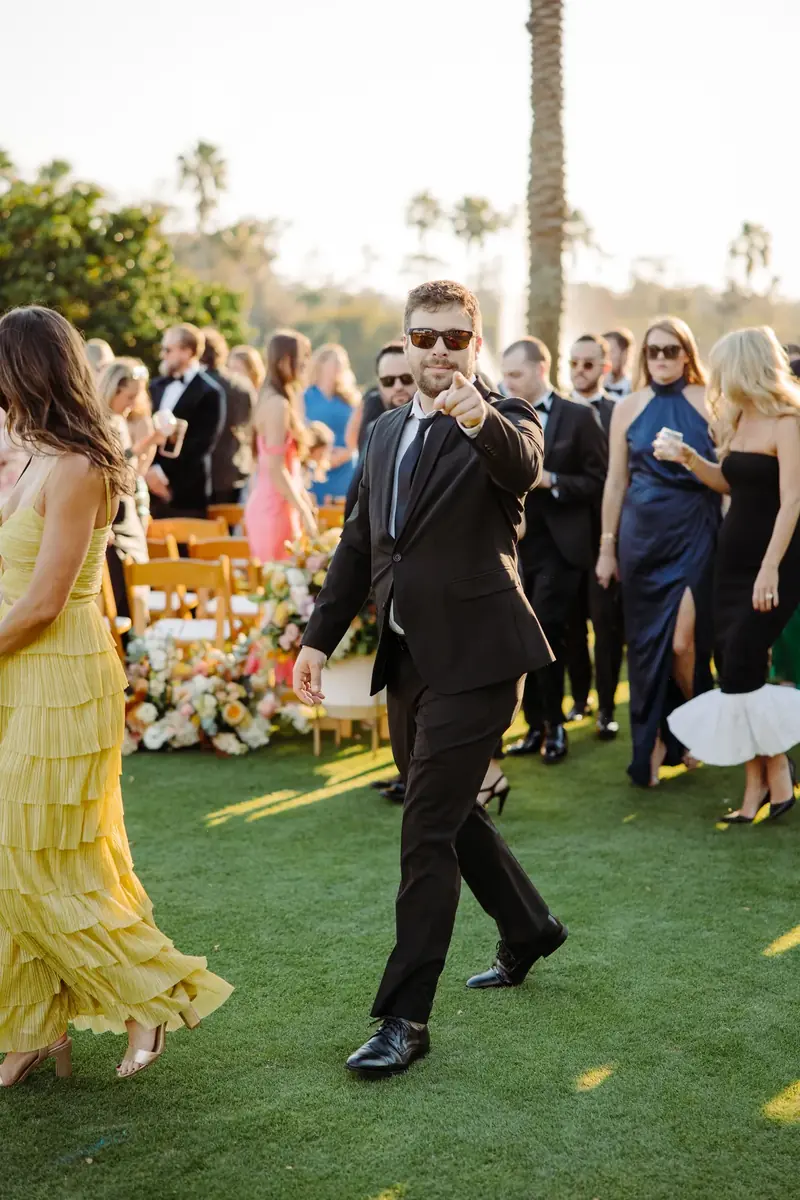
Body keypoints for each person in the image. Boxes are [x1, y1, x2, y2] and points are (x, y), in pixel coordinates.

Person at [294, 281, 565, 1077]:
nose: (439, 350)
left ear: (476, 344)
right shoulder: (380, 434)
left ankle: (404, 1019)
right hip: (407, 660)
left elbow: (521, 470)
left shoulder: (508, 419)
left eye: (454, 337)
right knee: (444, 814)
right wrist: (318, 641)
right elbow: (358, 548)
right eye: (424, 337)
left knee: (425, 831)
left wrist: (476, 415)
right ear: (407, 343)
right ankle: (530, 927)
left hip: (483, 659)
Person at [0, 306, 232, 1087]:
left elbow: (42, 602)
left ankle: (148, 1003)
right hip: (12, 672)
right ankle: (33, 1027)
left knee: (46, 856)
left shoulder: (77, 465)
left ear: (27, 369)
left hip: (61, 669)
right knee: (19, 853)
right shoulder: (23, 451)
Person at [662, 327, 800, 822]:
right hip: (731, 557)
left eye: (723, 367)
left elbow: (793, 502)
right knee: (733, 664)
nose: (716, 377)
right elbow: (731, 483)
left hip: (776, 560)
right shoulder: (739, 417)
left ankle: (771, 779)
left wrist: (770, 570)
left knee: (743, 660)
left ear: (745, 366)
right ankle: (765, 782)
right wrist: (690, 459)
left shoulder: (789, 419)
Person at [597, 316, 720, 787]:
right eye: (654, 351)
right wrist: (607, 548)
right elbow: (615, 481)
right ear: (644, 358)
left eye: (672, 350)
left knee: (683, 643)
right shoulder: (627, 408)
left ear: (688, 353)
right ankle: (654, 744)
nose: (663, 359)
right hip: (640, 540)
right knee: (647, 649)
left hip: (695, 531)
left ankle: (695, 727)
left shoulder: (710, 403)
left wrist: (691, 458)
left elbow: (727, 475)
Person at [503, 336, 607, 764]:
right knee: (520, 637)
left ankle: (556, 726)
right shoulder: (499, 415)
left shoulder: (580, 417)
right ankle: (533, 727)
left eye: (516, 374)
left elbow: (598, 481)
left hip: (561, 550)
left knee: (546, 631)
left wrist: (552, 481)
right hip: (514, 546)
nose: (507, 383)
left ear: (540, 369)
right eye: (504, 374)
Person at [564, 334, 625, 740]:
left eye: (588, 364)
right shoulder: (558, 413)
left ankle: (606, 708)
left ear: (604, 367)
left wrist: (614, 543)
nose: (579, 371)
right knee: (570, 629)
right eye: (574, 363)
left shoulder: (618, 411)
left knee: (606, 628)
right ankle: (580, 700)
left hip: (608, 539)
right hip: (565, 540)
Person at [97, 359, 165, 615]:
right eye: (129, 396)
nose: (132, 404)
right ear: (112, 390)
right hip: (113, 514)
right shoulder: (100, 423)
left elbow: (131, 470)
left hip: (127, 508)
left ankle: (136, 640)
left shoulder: (120, 421)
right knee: (119, 586)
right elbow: (108, 468)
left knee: (137, 582)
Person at [245, 330, 317, 561]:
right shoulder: (277, 404)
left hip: (276, 503)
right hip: (275, 509)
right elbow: (276, 468)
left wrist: (303, 498)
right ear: (286, 360)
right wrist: (303, 510)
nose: (306, 363)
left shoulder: (272, 397)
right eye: (303, 357)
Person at [149, 324, 226, 518]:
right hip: (149, 489)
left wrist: (161, 473)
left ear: (187, 351)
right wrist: (148, 472)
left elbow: (200, 445)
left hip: (186, 492)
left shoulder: (210, 392)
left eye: (168, 349)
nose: (163, 355)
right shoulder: (156, 386)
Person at [344, 341, 417, 520]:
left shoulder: (442, 423)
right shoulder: (374, 427)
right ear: (379, 385)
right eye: (388, 381)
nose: (398, 386)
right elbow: (357, 493)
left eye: (406, 378)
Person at [201, 329, 256, 505]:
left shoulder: (195, 384)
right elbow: (251, 427)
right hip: (232, 471)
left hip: (200, 476)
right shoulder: (241, 385)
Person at [304, 344, 360, 503]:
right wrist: (323, 457)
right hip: (315, 468)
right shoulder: (305, 397)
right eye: (335, 362)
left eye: (342, 363)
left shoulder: (351, 398)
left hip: (346, 468)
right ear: (320, 364)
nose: (339, 367)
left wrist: (348, 452)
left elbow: (359, 429)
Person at [602, 328, 635, 399]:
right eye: (603, 353)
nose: (606, 358)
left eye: (611, 352)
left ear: (625, 354)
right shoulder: (594, 386)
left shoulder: (635, 389)